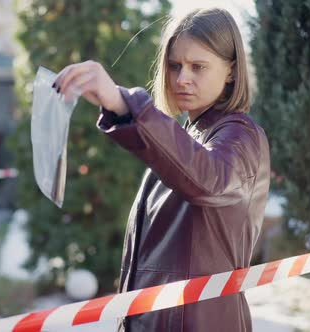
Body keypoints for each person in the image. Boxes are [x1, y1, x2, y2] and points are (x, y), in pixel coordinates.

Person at [53, 8, 270, 332]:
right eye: (174, 65)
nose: (182, 78)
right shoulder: (186, 136)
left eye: (198, 66)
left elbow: (209, 180)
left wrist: (125, 104)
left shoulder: (240, 135)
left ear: (230, 71)